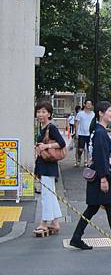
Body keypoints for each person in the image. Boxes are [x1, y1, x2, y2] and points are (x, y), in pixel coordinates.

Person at [69, 101, 111, 251]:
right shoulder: (100, 132)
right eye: (109, 111)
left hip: (97, 176)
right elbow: (100, 157)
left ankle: (76, 237)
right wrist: (104, 179)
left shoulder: (98, 131)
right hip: (101, 177)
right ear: (100, 113)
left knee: (93, 208)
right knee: (109, 207)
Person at [33, 101, 66, 237]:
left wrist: (45, 147)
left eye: (43, 112)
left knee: (46, 195)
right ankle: (55, 222)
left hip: (48, 165)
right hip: (45, 165)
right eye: (39, 112)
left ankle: (44, 222)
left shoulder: (50, 127)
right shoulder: (42, 127)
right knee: (50, 194)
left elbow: (62, 143)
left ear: (49, 114)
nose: (41, 114)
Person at [74, 100, 95, 167]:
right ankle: (79, 158)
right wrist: (76, 133)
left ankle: (87, 162)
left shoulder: (93, 114)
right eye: (87, 103)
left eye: (90, 104)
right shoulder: (80, 113)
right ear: (84, 104)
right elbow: (76, 123)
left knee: (89, 149)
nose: (89, 105)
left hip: (90, 134)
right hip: (81, 134)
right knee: (80, 149)